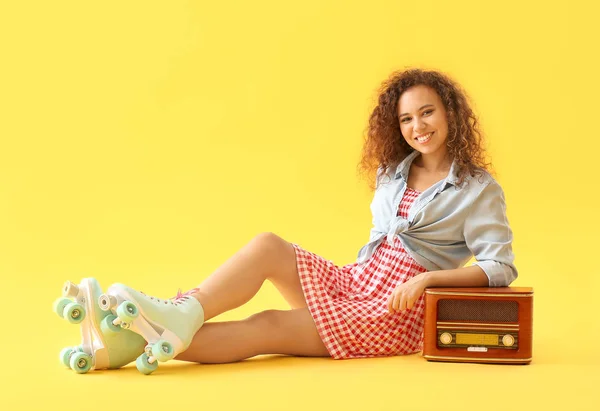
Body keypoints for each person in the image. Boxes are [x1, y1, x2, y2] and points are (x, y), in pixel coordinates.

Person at [102, 68, 518, 369]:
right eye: (406, 118)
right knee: (268, 244)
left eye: (427, 113)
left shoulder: (478, 189)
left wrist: (427, 279)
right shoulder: (392, 173)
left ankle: (139, 337)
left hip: (394, 311)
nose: (417, 126)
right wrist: (348, 282)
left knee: (269, 325)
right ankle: (179, 314)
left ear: (449, 113)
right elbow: (378, 244)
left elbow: (499, 267)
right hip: (359, 281)